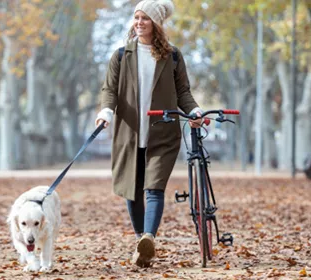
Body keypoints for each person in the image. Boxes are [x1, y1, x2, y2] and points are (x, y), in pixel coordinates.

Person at [95, 0, 203, 268]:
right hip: (129, 133)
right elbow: (109, 89)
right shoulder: (121, 55)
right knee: (133, 190)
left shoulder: (173, 56)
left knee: (154, 188)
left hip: (163, 133)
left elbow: (183, 92)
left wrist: (195, 111)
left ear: (156, 23)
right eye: (136, 17)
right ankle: (140, 245)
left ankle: (148, 237)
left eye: (145, 18)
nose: (139, 22)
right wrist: (106, 112)